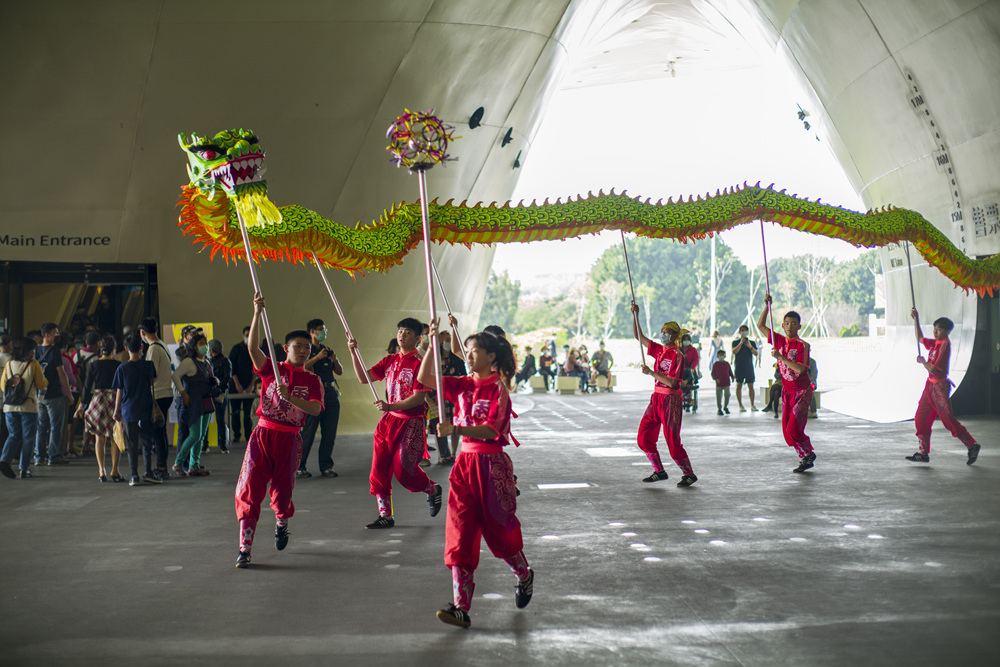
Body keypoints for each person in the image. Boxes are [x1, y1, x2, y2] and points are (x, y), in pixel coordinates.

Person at [417, 321, 532, 629]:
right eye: (466, 351)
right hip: (464, 468)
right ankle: (460, 607)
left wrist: (456, 429)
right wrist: (430, 345)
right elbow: (425, 378)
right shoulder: (463, 384)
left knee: (499, 532)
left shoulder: (498, 389)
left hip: (491, 467)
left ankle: (523, 573)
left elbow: (492, 430)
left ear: (491, 356)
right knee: (460, 534)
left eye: (475, 350)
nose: (468, 356)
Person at [234, 293, 324, 568]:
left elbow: (315, 410)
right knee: (250, 489)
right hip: (262, 436)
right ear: (286, 348)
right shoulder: (272, 369)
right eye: (298, 346)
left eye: (307, 347)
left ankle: (281, 522)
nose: (304, 350)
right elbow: (252, 348)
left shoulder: (313, 379)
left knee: (282, 492)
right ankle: (245, 549)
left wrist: (291, 399)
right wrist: (257, 313)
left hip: (290, 439)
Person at [346, 316, 442, 529]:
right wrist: (354, 352)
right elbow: (364, 377)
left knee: (404, 470)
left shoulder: (419, 363)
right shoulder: (389, 360)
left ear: (417, 338)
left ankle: (431, 489)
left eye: (408, 332)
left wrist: (390, 406)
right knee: (378, 469)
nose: (402, 335)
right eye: (400, 330)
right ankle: (385, 516)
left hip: (411, 423)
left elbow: (418, 398)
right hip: (387, 423)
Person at [630, 302, 698, 487]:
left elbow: (673, 382)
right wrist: (636, 316)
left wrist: (651, 373)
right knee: (643, 437)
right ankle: (659, 471)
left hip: (670, 400)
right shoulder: (659, 350)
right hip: (656, 399)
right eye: (662, 330)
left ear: (675, 336)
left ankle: (689, 474)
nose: (663, 333)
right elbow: (639, 336)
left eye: (667, 331)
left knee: (673, 442)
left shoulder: (677, 355)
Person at [906, 308, 981, 465]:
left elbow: (933, 368)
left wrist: (922, 362)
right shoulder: (936, 343)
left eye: (939, 329)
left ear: (947, 331)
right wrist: (916, 319)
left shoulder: (944, 345)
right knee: (921, 417)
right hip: (929, 387)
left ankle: (972, 445)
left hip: (939, 388)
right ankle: (923, 453)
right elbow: (920, 338)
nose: (935, 331)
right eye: (935, 328)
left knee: (948, 420)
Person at [757, 295, 815, 473]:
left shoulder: (802, 345)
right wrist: (767, 306)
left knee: (794, 428)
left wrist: (780, 357)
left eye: (793, 323)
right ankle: (806, 456)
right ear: (782, 325)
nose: (789, 326)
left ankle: (807, 452)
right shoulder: (779, 340)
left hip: (802, 392)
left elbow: (801, 370)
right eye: (786, 323)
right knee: (787, 432)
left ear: (799, 326)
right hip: (787, 392)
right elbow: (760, 326)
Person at [112, 333, 160, 486]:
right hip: (146, 408)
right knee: (146, 442)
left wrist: (116, 410)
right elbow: (153, 380)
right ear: (141, 347)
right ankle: (148, 472)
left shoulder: (122, 368)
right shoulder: (148, 365)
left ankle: (134, 475)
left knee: (132, 444)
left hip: (129, 410)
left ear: (126, 349)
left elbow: (119, 391)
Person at [299, 318, 343, 478]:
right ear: (312, 331)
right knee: (308, 432)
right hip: (313, 394)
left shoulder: (327, 350)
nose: (323, 333)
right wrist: (317, 358)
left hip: (330, 393)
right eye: (320, 329)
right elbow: (301, 368)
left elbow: (339, 371)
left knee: (329, 432)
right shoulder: (306, 350)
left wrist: (334, 360)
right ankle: (300, 466)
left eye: (324, 329)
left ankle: (326, 466)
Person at [76, 335, 123, 482]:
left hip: (98, 401)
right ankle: (114, 471)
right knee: (115, 438)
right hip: (114, 401)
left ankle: (101, 471)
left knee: (99, 439)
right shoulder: (118, 365)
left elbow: (87, 387)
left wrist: (81, 406)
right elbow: (122, 386)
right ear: (113, 349)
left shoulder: (94, 365)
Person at [1, 337, 47, 479]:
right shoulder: (33, 365)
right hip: (28, 407)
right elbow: (41, 385)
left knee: (13, 435)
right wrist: (44, 375)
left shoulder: (9, 364)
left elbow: (3, 386)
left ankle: (4, 460)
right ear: (30, 351)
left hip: (9, 407)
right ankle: (24, 468)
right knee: (28, 438)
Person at [172, 333, 217, 477]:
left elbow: (209, 378)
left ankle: (194, 466)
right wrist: (183, 393)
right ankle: (178, 462)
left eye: (205, 343)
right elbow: (176, 376)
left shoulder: (207, 362)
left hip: (206, 399)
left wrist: (214, 381)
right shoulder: (189, 362)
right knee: (195, 434)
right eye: (201, 343)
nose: (205, 346)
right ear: (194, 346)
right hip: (194, 401)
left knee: (201, 435)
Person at [139, 318, 174, 480]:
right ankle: (162, 466)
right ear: (157, 330)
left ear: (142, 333)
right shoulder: (162, 345)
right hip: (167, 392)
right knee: (161, 433)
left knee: (158, 433)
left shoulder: (153, 349)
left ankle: (161, 467)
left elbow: (151, 374)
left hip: (158, 394)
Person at [34, 322, 70, 466]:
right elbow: (61, 373)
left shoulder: (36, 351)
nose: (57, 336)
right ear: (47, 335)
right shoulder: (55, 352)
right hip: (54, 393)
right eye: (55, 333)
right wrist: (69, 393)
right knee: (56, 426)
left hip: (39, 394)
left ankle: (39, 457)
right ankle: (54, 456)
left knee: (41, 426)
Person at [229, 326, 255, 444]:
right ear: (243, 336)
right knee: (235, 412)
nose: (248, 337)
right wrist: (237, 384)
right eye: (246, 335)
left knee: (248, 413)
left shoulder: (255, 349)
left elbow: (257, 369)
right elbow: (232, 369)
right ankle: (237, 435)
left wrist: (251, 385)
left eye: (250, 335)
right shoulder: (236, 349)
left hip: (249, 385)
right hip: (235, 386)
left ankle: (248, 435)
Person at [206, 339, 233, 454]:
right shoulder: (225, 361)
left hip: (215, 394)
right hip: (220, 393)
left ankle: (205, 445)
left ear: (211, 350)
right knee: (220, 420)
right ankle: (222, 446)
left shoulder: (208, 362)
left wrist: (216, 388)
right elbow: (228, 378)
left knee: (209, 421)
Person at [732, 325, 758, 412]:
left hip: (749, 367)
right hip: (739, 367)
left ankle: (752, 404)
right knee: (739, 385)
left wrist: (749, 346)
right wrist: (741, 343)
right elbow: (734, 351)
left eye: (745, 330)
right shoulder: (735, 342)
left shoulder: (752, 343)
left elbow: (756, 353)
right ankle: (740, 405)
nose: (744, 332)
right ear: (739, 332)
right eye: (742, 330)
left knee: (751, 385)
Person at [680, 333, 700, 412]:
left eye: (687, 340)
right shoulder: (679, 350)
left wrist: (692, 368)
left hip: (690, 371)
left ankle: (688, 402)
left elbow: (696, 359)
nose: (686, 341)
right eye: (684, 340)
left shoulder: (693, 350)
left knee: (689, 383)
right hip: (680, 371)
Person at [711, 349, 734, 415]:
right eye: (720, 355)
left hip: (726, 382)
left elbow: (730, 372)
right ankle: (719, 408)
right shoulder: (715, 364)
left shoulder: (727, 364)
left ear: (725, 355)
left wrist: (732, 377)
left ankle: (725, 406)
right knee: (719, 396)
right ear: (717, 356)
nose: (721, 356)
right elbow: (713, 373)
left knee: (727, 394)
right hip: (719, 383)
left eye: (722, 355)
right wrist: (715, 379)